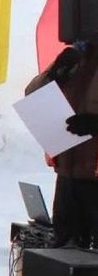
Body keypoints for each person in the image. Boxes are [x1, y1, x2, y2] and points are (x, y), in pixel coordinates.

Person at [26, 41, 98, 249]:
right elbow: (33, 93)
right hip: (68, 179)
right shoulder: (79, 56)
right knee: (61, 262)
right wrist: (54, 73)